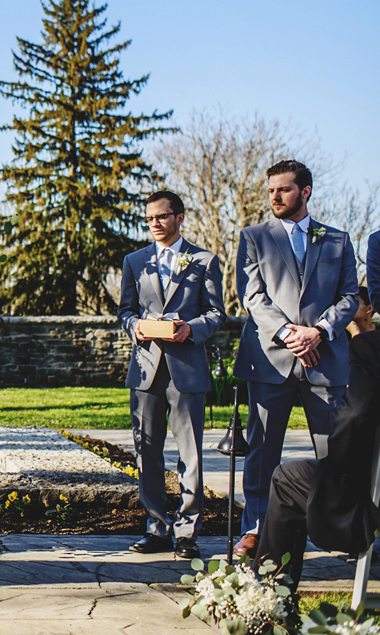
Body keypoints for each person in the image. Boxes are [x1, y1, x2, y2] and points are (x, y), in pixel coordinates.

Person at [232, 159, 359, 556]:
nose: (274, 196)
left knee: (334, 451)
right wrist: (290, 334)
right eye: (271, 190)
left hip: (325, 361)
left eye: (283, 189)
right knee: (262, 451)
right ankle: (255, 529)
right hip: (271, 360)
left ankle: (337, 529)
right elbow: (252, 296)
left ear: (305, 192)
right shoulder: (254, 236)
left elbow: (350, 296)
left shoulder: (336, 239)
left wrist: (318, 331)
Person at [117, 190, 225, 560]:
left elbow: (216, 314)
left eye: (161, 217)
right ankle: (157, 527)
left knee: (190, 452)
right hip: (146, 369)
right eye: (149, 219)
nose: (155, 224)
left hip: (187, 369)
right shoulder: (134, 261)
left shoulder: (204, 260)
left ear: (180, 217)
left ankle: (187, 531)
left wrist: (189, 329)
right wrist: (137, 328)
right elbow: (125, 311)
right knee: (147, 451)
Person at [254, 329, 380, 588]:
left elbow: (354, 416)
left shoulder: (372, 345)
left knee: (287, 480)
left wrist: (340, 470)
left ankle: (269, 603)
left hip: (374, 493)